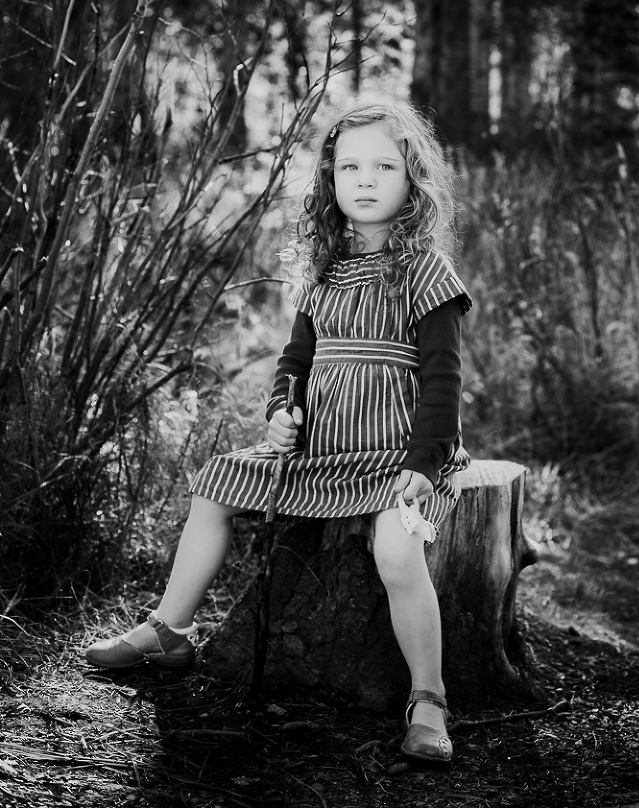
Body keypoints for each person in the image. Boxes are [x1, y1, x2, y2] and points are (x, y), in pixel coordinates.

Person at [85, 99, 472, 765]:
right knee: (215, 486)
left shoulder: (425, 272)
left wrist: (426, 460)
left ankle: (428, 698)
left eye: (385, 165)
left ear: (414, 181)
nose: (366, 179)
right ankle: (169, 630)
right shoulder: (322, 274)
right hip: (322, 452)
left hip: (396, 457)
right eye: (349, 166)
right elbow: (295, 363)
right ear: (329, 180)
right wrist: (282, 411)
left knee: (397, 550)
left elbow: (444, 377)